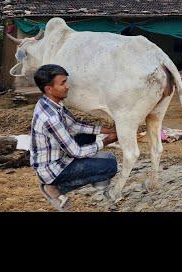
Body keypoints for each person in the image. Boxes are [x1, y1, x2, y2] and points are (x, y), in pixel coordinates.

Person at [30, 64, 119, 211]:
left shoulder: (50, 102)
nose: (67, 86)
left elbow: (74, 125)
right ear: (49, 89)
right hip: (53, 169)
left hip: (58, 155)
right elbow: (76, 152)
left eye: (66, 81)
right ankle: (54, 187)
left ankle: (87, 166)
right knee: (110, 165)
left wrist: (107, 130)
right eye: (62, 83)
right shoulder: (50, 118)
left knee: (88, 137)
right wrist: (107, 141)